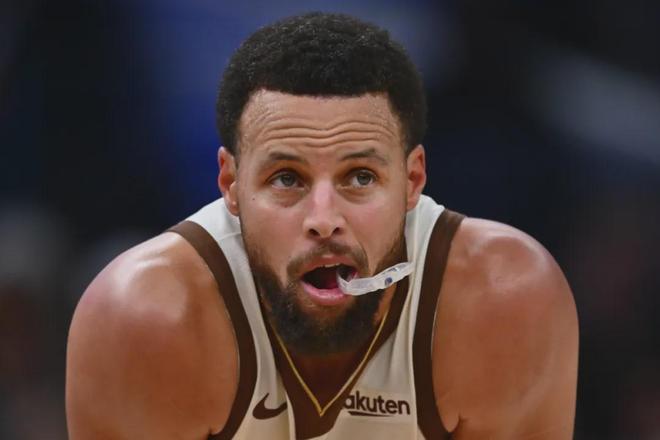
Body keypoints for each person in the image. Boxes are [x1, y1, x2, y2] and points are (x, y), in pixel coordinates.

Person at [65, 12, 578, 439]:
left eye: (360, 177)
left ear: (412, 181)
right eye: (287, 179)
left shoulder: (500, 300)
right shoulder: (148, 318)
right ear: (231, 185)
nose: (324, 220)